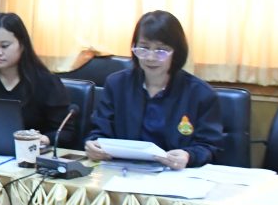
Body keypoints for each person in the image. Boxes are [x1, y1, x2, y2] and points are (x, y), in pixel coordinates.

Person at [85, 10, 222, 170]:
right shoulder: (117, 84)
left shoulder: (200, 93)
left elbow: (209, 146)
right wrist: (93, 145)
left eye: (161, 50)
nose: (150, 57)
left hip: (174, 173)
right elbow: (99, 131)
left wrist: (188, 155)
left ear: (176, 52)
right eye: (143, 48)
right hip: (124, 171)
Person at [0, 12, 73, 146]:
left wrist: (45, 139)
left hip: (31, 153)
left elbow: (66, 132)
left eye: (4, 46)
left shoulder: (47, 83)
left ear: (22, 45)